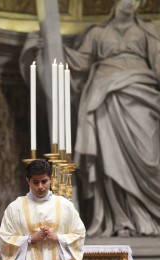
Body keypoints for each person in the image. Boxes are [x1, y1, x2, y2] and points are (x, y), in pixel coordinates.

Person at [64, 0, 160, 237]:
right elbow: (79, 63)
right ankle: (120, 220)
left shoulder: (149, 30)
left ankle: (150, 218)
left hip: (142, 95)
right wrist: (52, 48)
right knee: (110, 159)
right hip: (103, 97)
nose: (132, 2)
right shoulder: (98, 32)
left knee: (149, 155)